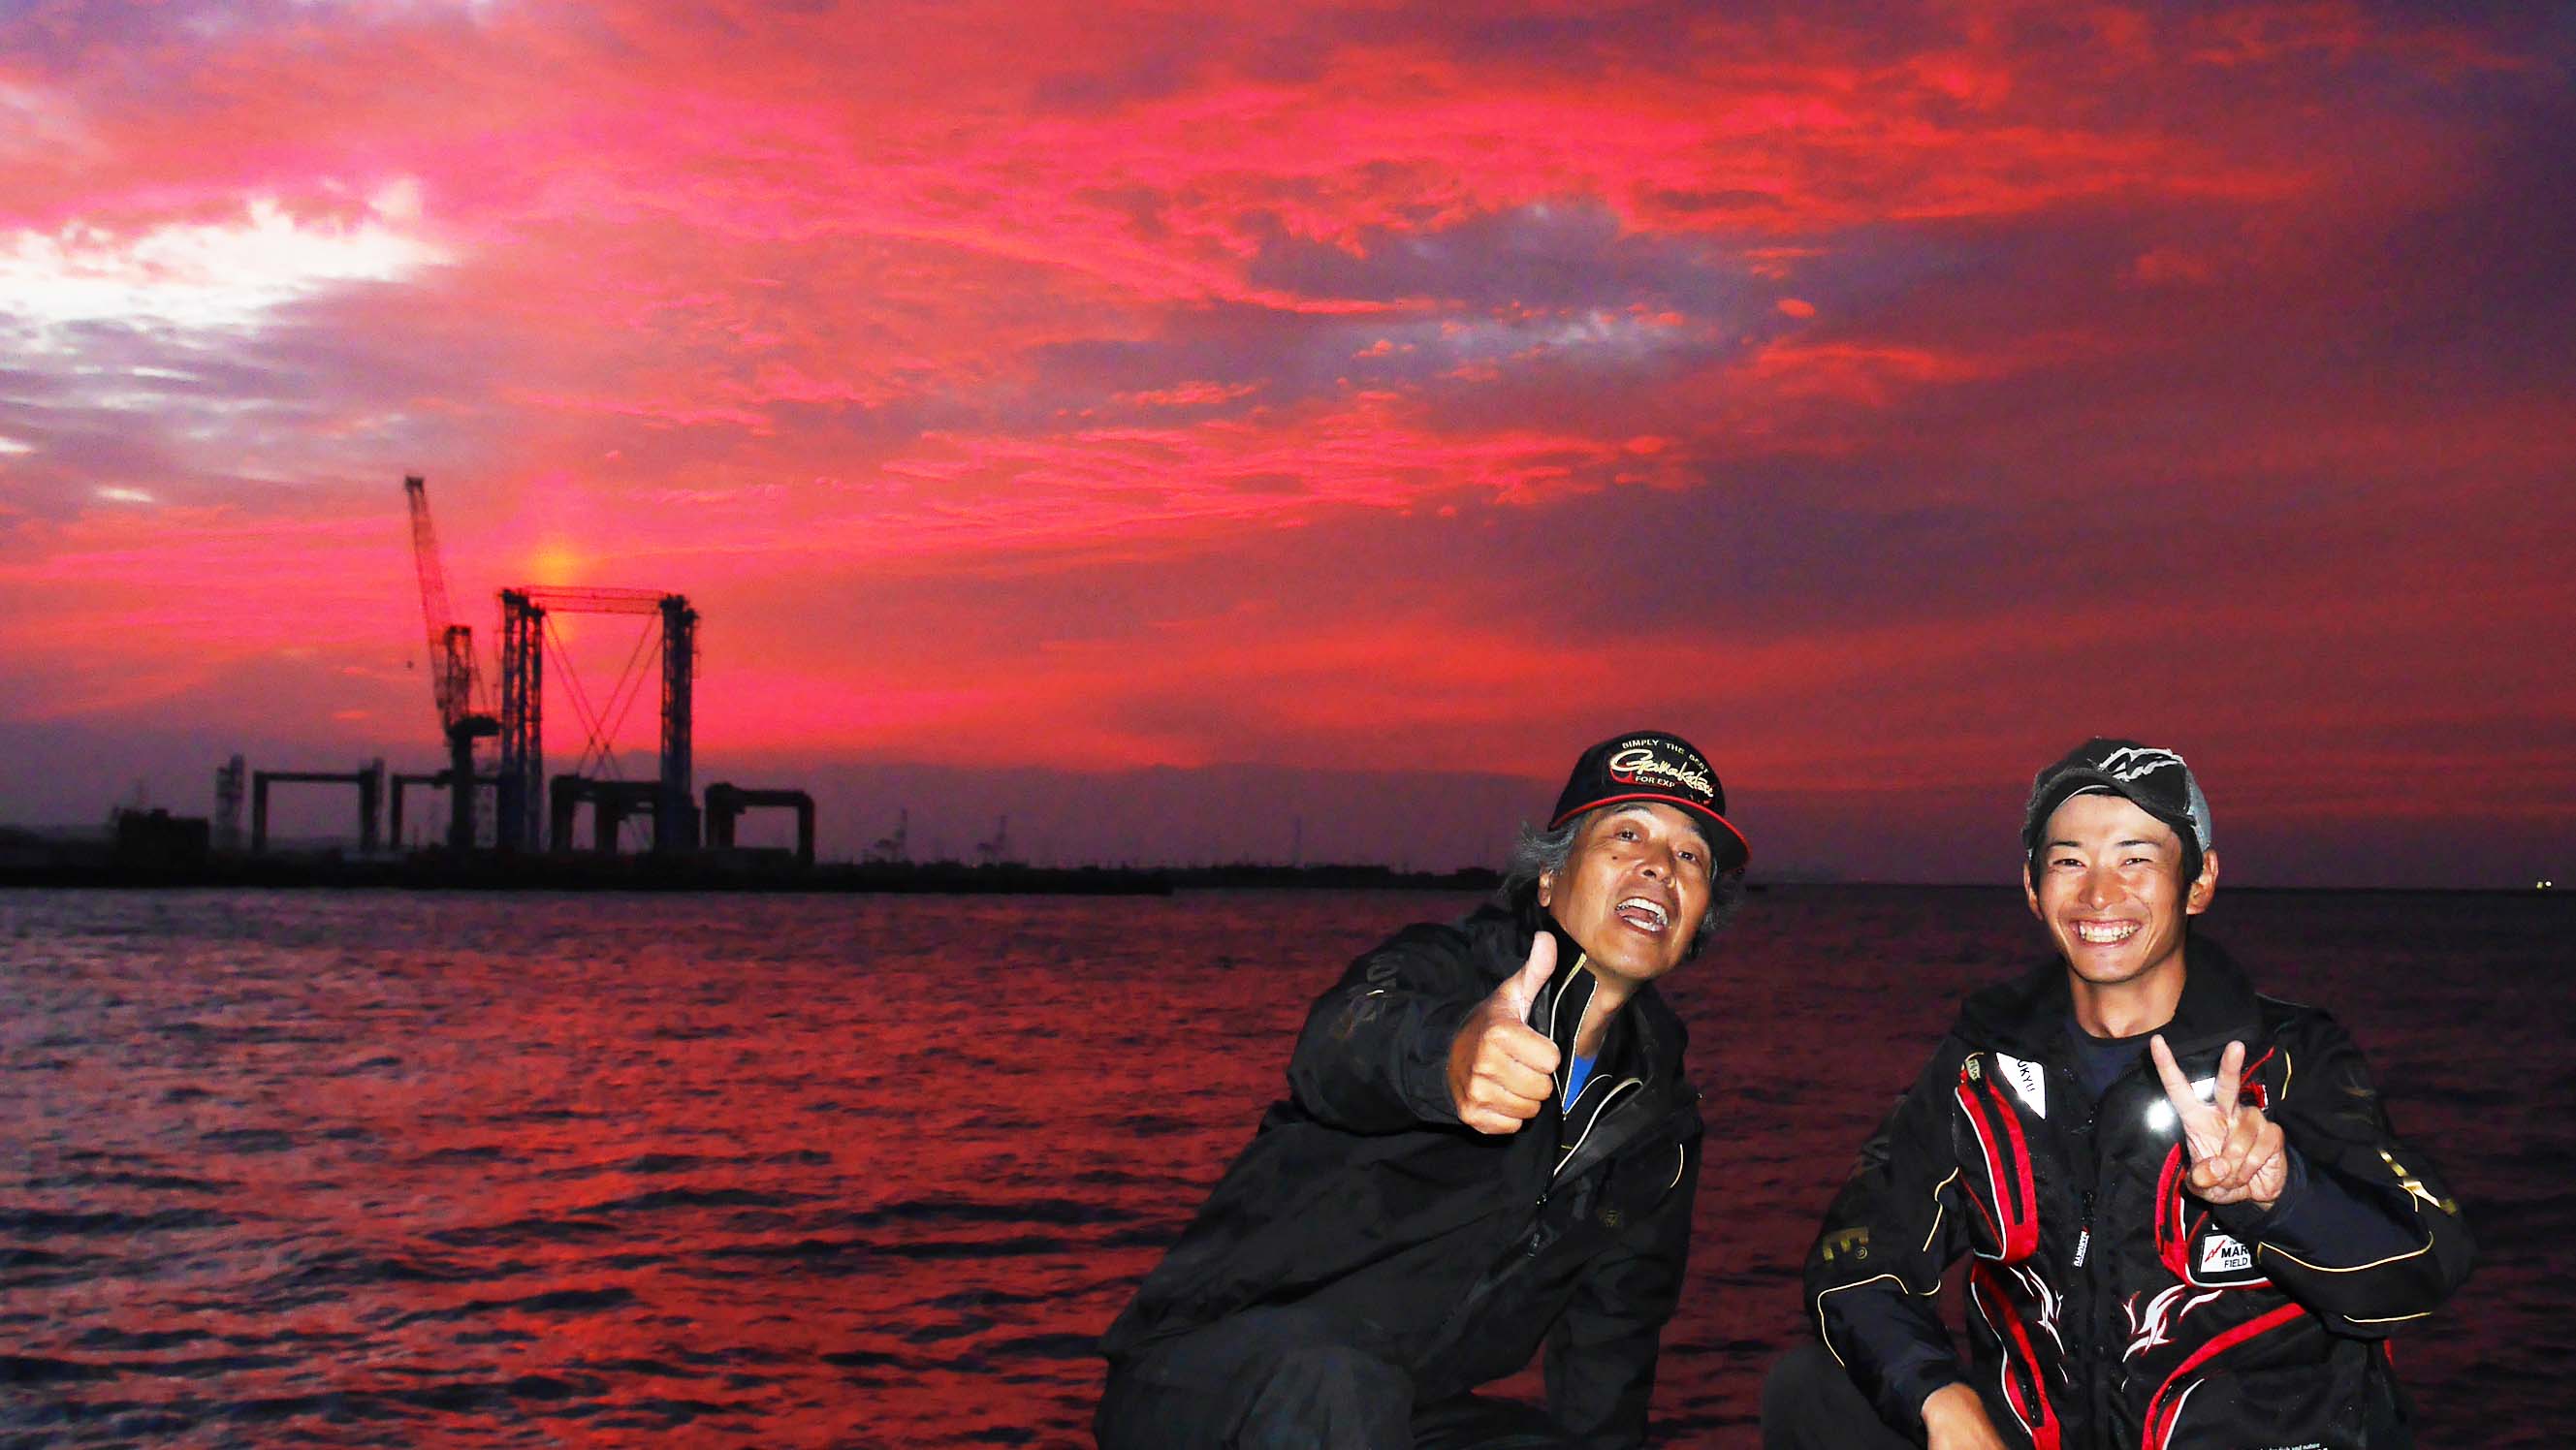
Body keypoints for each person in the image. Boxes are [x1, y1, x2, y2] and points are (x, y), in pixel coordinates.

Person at [1767, 739, 2473, 1450]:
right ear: (2031, 887)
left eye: (2135, 859)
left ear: (2198, 882)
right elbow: (1857, 1259)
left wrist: (2283, 1196)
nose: (2099, 894)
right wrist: (1941, 1400)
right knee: (1813, 1392)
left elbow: (2425, 1265)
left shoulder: (2288, 1058)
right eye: (2069, 862)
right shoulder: (1980, 1068)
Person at [1097, 731, 1751, 1449]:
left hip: (1405, 1404)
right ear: (1548, 877)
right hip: (1208, 1369)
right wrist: (1449, 1057)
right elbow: (1340, 1041)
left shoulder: (1658, 1124)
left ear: (1698, 919)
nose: (1659, 866)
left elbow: (1612, 1346)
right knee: (1337, 1386)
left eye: (1691, 857)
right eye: (1626, 835)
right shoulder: (1444, 968)